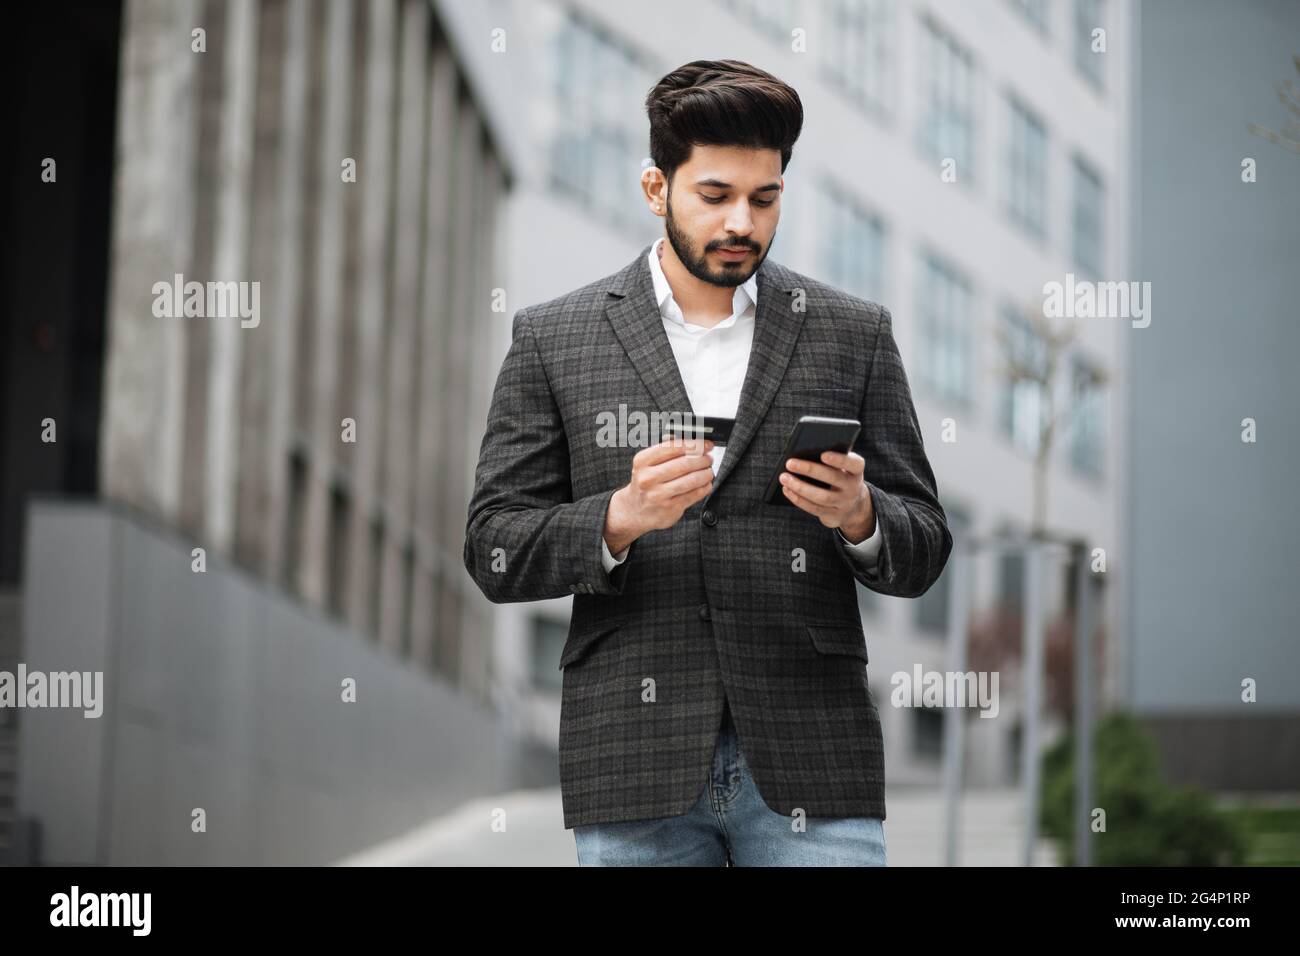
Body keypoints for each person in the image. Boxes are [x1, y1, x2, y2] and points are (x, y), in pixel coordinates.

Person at [464, 59, 952, 866]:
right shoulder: (554, 337)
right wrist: (619, 520)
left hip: (813, 757)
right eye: (716, 196)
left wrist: (860, 518)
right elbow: (493, 548)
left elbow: (925, 545)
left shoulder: (851, 332)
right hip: (634, 758)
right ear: (657, 189)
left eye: (765, 200)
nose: (743, 223)